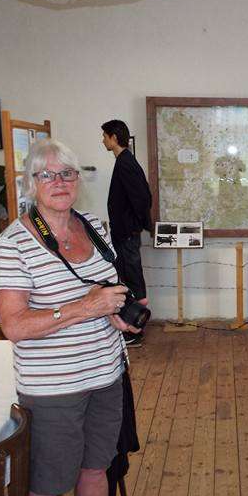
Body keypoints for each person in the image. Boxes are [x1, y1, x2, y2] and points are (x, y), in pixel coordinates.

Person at [0, 138, 152, 496]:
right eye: (47, 175)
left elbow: (103, 291)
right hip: (53, 388)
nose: (59, 182)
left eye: (67, 174)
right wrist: (85, 308)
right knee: (46, 483)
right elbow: (14, 325)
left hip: (105, 373)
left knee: (96, 466)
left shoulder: (94, 227)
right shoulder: (13, 244)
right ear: (30, 183)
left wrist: (116, 314)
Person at [102, 119, 151, 347]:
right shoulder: (124, 160)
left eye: (105, 136)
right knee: (127, 277)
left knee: (132, 278)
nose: (103, 140)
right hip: (124, 232)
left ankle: (136, 328)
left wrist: (135, 225)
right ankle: (132, 327)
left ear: (114, 137)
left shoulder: (126, 163)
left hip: (127, 233)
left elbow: (142, 198)